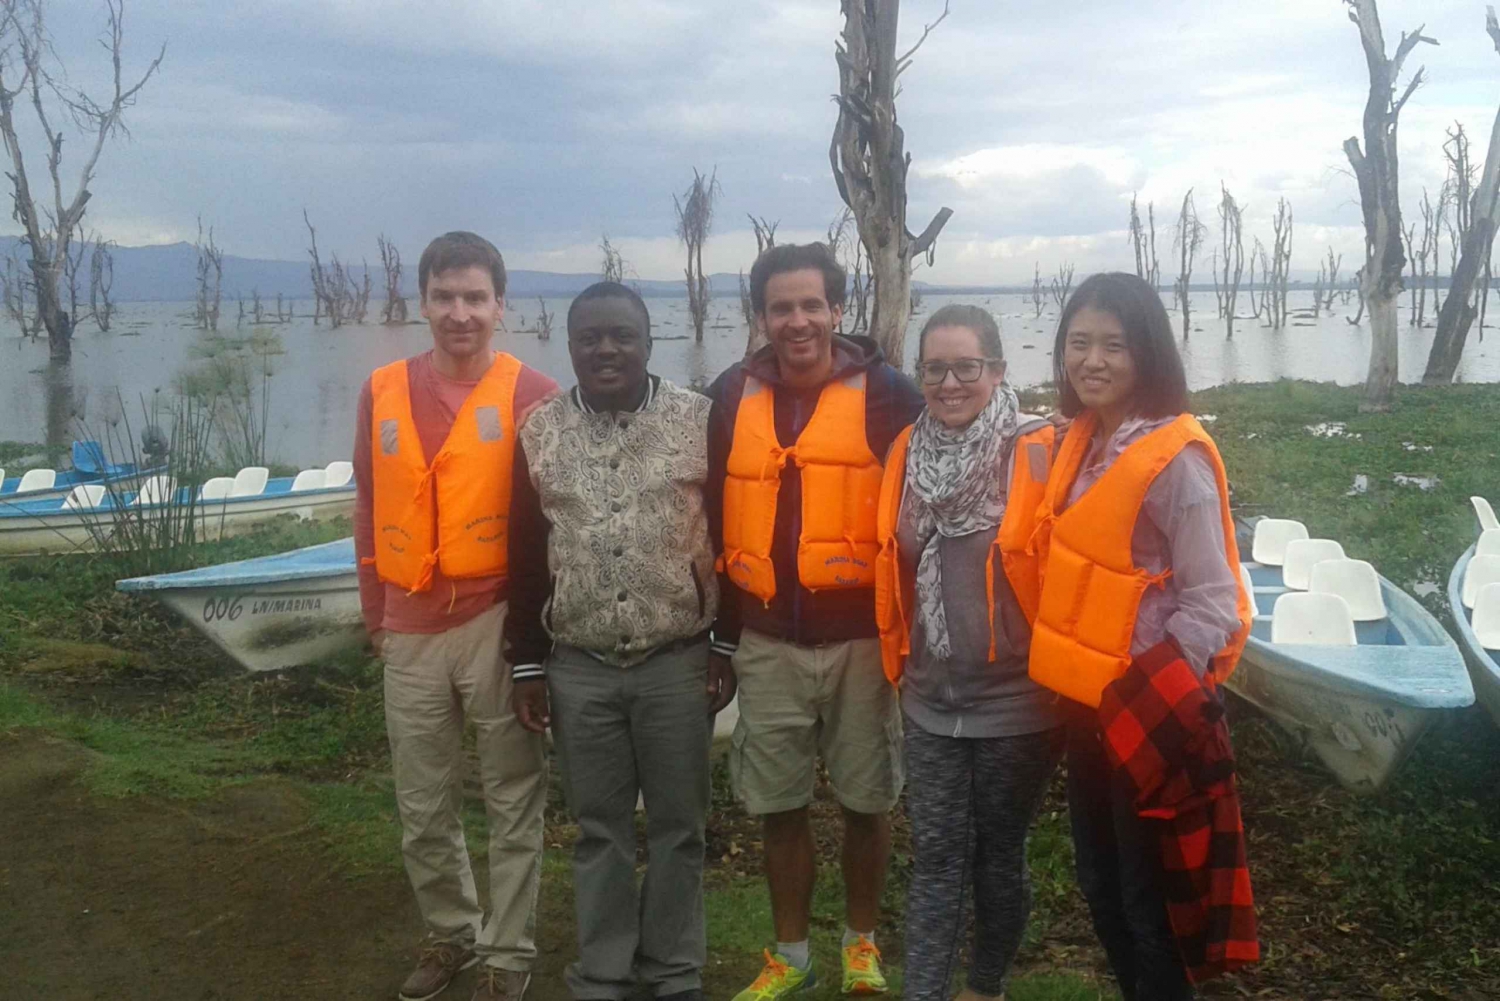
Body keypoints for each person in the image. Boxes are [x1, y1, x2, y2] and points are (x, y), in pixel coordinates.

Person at [1028, 272, 1256, 1001]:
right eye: (1078, 343)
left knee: (1147, 899)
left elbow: (1214, 602)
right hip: (1086, 711)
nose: (1091, 360)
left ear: (1147, 353)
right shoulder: (1085, 441)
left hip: (1144, 715)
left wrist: (1149, 698)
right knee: (1100, 883)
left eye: (1113, 346)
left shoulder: (1175, 458)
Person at [705, 243, 924, 999]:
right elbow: (712, 517)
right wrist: (720, 641)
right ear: (761, 316)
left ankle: (860, 945)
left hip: (863, 641)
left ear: (837, 308)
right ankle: (790, 956)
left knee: (868, 800)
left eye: (810, 305)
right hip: (767, 644)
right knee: (779, 804)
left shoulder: (890, 393)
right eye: (779, 307)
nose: (796, 321)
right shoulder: (731, 395)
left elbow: (928, 503)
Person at [506, 282, 731, 1001]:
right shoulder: (538, 430)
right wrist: (528, 662)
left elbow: (733, 533)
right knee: (599, 828)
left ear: (647, 341)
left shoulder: (700, 421)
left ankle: (672, 970)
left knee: (677, 827)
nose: (606, 349)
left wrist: (725, 644)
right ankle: (603, 972)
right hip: (580, 665)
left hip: (677, 660)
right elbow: (523, 549)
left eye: (622, 335)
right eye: (590, 337)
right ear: (569, 346)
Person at [354, 231, 557, 1001]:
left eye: (475, 297)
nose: (459, 312)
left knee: (513, 792)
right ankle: (451, 933)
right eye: (445, 296)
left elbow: (551, 522)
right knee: (423, 799)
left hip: (496, 620)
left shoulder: (532, 391)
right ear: (424, 302)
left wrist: (537, 635)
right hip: (407, 627)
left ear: (500, 306)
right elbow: (370, 505)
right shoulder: (382, 391)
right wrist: (377, 611)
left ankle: (509, 952)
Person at [872, 305, 1063, 1001]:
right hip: (928, 697)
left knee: (997, 856)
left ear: (999, 371)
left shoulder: (1043, 448)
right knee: (938, 857)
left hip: (1022, 703)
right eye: (934, 368)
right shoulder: (904, 452)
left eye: (967, 367)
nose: (950, 383)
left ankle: (985, 986)